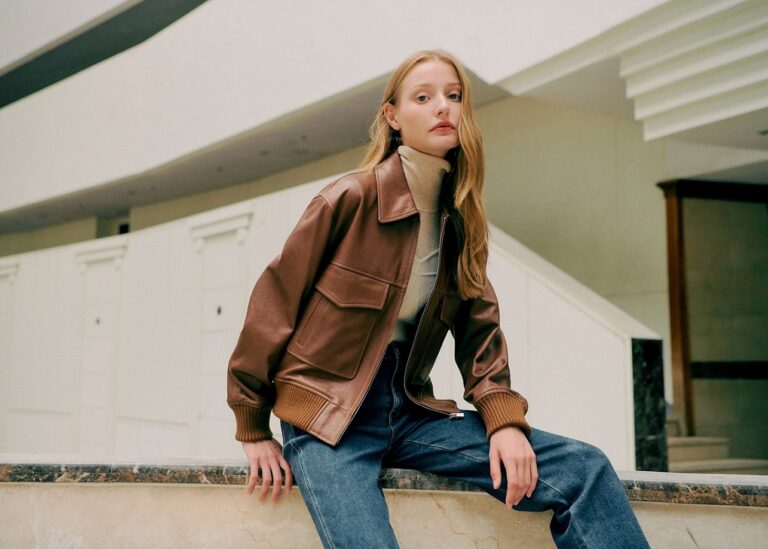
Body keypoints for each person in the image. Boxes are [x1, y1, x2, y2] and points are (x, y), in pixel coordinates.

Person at [227, 49, 650, 548]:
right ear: (393, 116)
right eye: (423, 98)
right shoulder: (348, 199)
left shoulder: (460, 221)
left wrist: (503, 422)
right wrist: (253, 427)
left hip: (409, 410)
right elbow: (273, 305)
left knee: (583, 469)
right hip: (325, 418)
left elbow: (480, 334)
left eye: (454, 96)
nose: (443, 107)